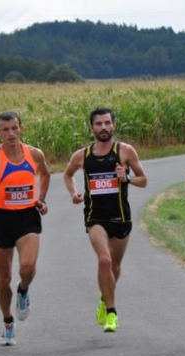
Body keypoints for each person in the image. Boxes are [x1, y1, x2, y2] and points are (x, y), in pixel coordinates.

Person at [0, 111, 50, 346]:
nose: (11, 133)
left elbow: (45, 174)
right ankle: (7, 322)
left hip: (27, 217)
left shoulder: (34, 154)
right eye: (5, 130)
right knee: (3, 278)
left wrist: (41, 199)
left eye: (14, 128)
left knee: (28, 267)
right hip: (1, 219)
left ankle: (23, 291)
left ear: (21, 129)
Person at [63, 108, 147, 332]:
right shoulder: (83, 155)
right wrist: (74, 193)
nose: (103, 128)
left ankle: (104, 298)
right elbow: (68, 174)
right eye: (98, 124)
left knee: (115, 266)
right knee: (104, 260)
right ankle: (112, 313)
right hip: (95, 217)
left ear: (114, 125)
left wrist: (126, 178)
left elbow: (143, 180)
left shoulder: (125, 151)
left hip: (120, 217)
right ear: (92, 128)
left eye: (107, 123)